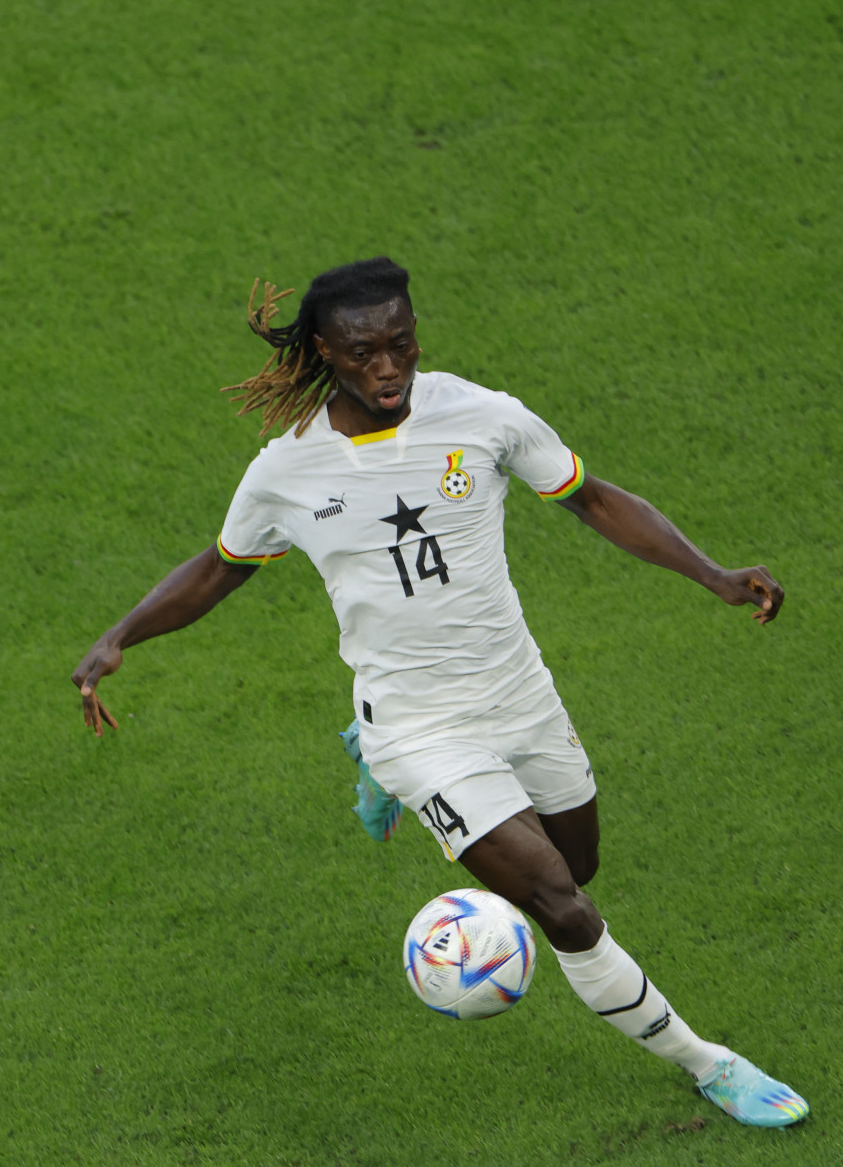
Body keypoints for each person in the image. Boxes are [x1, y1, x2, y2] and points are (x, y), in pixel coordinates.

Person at [69, 257, 806, 1127]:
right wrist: (118, 637)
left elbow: (595, 500)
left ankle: (382, 776)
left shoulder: (483, 417)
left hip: (519, 694)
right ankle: (708, 1063)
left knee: (576, 867)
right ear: (322, 353)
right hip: (418, 725)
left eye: (401, 345)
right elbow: (217, 570)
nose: (388, 369)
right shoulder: (288, 470)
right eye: (364, 353)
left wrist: (711, 574)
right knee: (558, 906)